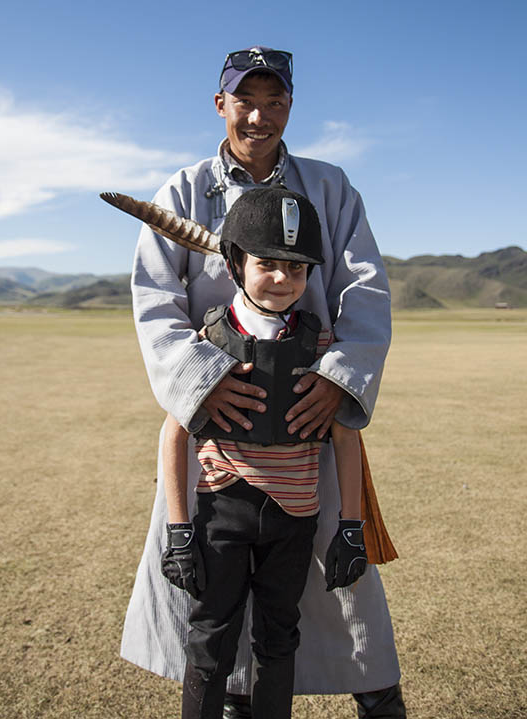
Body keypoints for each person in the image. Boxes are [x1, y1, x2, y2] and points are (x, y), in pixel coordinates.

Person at [122, 46, 406, 718]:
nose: (259, 114)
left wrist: (339, 379)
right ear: (220, 104)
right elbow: (156, 302)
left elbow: (365, 291)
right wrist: (201, 381)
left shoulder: (330, 188)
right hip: (217, 436)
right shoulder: (184, 193)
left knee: (341, 589)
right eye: (244, 100)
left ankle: (378, 696)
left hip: (310, 423)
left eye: (274, 100)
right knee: (216, 598)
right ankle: (233, 702)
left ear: (289, 106)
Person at [160, 187, 368, 719]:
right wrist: (179, 530)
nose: (282, 279)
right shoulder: (205, 341)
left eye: (297, 269)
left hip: (294, 520)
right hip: (220, 518)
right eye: (268, 264)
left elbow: (346, 435)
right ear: (234, 263)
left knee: (280, 638)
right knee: (210, 638)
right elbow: (174, 433)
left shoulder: (323, 346)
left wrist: (351, 527)